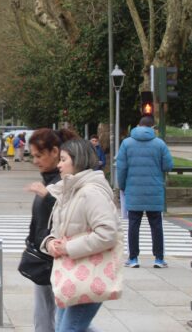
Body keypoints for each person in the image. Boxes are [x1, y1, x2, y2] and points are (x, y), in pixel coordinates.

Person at [28, 138, 120, 331]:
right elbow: (59, 229)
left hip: (89, 275)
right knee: (72, 326)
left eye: (63, 159)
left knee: (68, 328)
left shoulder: (90, 193)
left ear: (77, 161)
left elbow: (108, 233)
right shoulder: (70, 191)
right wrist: (50, 242)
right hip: (72, 274)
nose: (59, 164)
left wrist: (68, 248)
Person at [24, 128, 78, 332]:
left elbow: (68, 213)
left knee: (68, 323)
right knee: (49, 317)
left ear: (55, 152)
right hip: (45, 255)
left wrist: (47, 197)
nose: (35, 160)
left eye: (39, 155)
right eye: (33, 155)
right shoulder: (49, 180)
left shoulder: (63, 181)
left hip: (56, 256)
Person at [117, 115, 174, 268]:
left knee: (133, 225)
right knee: (156, 225)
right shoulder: (159, 144)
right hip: (154, 191)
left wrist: (122, 186)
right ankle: (159, 259)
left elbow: (121, 169)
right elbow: (168, 165)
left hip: (133, 190)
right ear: (152, 127)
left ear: (137, 125)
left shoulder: (126, 143)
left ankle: (133, 258)